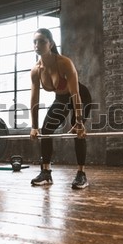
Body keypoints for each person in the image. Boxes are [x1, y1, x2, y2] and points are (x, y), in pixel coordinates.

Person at [30, 28, 92, 189]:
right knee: (46, 130)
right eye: (35, 42)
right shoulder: (36, 70)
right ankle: (46, 173)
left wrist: (79, 121)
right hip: (61, 99)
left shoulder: (64, 63)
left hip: (80, 97)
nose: (37, 45)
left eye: (42, 41)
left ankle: (81, 174)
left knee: (78, 132)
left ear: (51, 44)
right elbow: (34, 99)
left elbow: (75, 94)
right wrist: (34, 127)